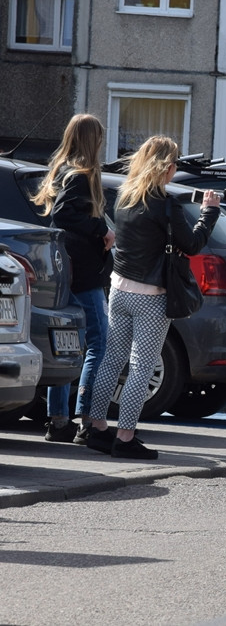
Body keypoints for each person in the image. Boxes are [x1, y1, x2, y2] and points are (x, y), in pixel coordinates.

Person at [84, 135, 221, 459]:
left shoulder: (124, 198)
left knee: (112, 360)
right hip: (151, 296)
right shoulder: (165, 204)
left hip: (119, 289)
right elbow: (192, 244)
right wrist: (209, 213)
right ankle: (126, 437)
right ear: (167, 167)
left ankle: (97, 427)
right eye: (173, 164)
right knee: (141, 367)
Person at [30, 114, 115, 443]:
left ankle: (59, 421)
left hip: (64, 269)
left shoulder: (62, 170)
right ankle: (88, 419)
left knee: (65, 344)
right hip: (83, 273)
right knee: (99, 343)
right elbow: (66, 214)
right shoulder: (81, 175)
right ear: (91, 140)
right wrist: (102, 229)